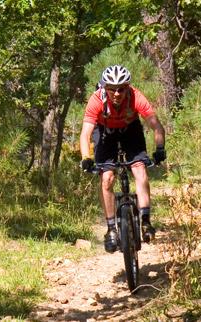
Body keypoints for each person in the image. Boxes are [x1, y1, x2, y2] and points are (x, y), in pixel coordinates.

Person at [79, 65, 167, 253]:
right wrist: (86, 157)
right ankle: (111, 229)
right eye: (112, 89)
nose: (117, 93)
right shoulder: (96, 100)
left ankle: (145, 221)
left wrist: (160, 148)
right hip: (105, 133)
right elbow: (85, 133)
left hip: (130, 131)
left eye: (121, 89)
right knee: (107, 178)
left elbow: (156, 126)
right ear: (104, 87)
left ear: (128, 87)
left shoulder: (136, 97)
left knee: (140, 170)